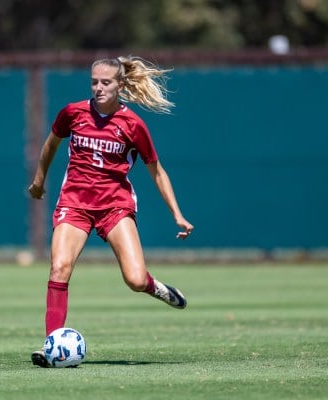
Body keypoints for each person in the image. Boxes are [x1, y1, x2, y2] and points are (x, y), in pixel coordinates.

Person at [28, 55, 194, 367]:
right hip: (74, 202)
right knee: (59, 268)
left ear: (120, 85)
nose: (99, 87)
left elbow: (156, 171)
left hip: (114, 205)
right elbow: (51, 145)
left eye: (106, 82)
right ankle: (52, 345)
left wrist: (177, 213)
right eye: (94, 82)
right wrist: (38, 182)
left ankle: (155, 287)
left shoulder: (133, 125)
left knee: (133, 279)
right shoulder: (73, 112)